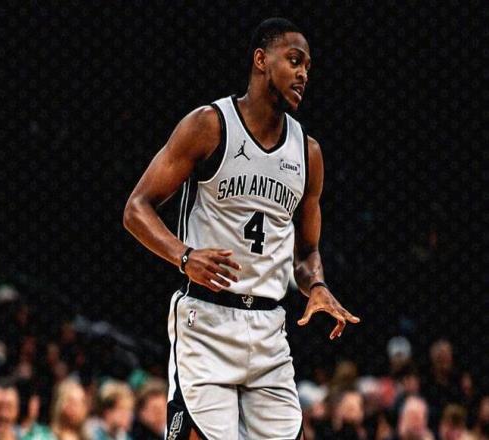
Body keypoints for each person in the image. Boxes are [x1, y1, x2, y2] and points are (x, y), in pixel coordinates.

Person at [123, 17, 360, 440]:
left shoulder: (308, 153)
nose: (304, 74)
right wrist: (184, 257)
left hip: (269, 329)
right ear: (261, 60)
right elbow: (136, 209)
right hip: (207, 322)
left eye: (308, 67)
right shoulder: (210, 125)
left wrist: (317, 285)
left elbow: (306, 252)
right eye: (294, 61)